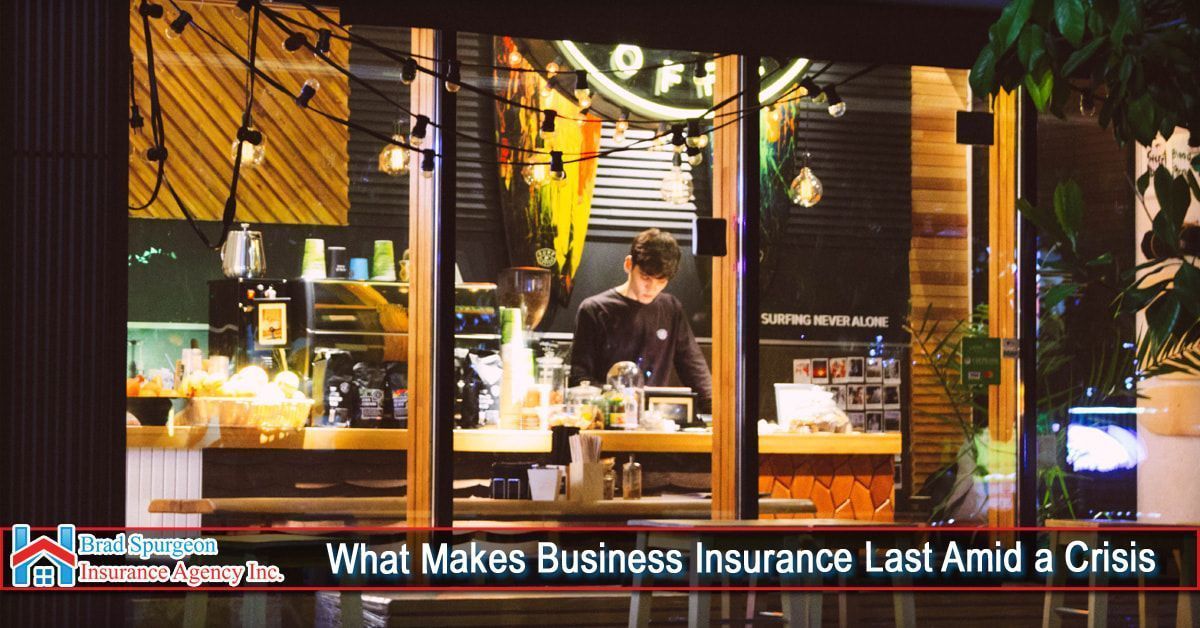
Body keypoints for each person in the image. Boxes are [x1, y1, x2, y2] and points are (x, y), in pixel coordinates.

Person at [569, 228, 713, 413]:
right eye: (645, 277)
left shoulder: (671, 308)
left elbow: (695, 370)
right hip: (607, 417)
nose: (652, 288)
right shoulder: (594, 309)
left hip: (655, 419)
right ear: (629, 264)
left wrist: (717, 413)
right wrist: (614, 402)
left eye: (661, 281)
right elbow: (580, 377)